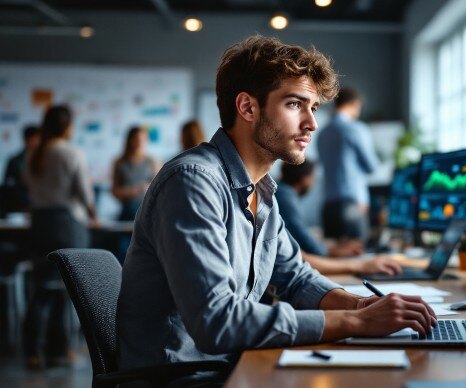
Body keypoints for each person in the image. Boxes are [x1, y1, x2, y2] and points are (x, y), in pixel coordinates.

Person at [117, 36, 436, 384]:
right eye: (296, 104)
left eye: (313, 108)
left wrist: (360, 306)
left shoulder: (262, 190)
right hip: (185, 377)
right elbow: (217, 323)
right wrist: (358, 323)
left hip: (229, 366)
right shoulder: (193, 182)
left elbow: (296, 277)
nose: (312, 124)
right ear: (248, 108)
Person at [23, 105, 97, 369]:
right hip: (66, 223)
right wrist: (93, 215)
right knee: (66, 291)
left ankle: (33, 351)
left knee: (41, 289)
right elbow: (83, 193)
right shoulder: (70, 152)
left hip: (40, 224)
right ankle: (59, 350)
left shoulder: (33, 152)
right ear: (67, 126)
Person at [276, 160, 403, 276]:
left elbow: (295, 241)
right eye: (312, 178)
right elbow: (303, 249)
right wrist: (358, 264)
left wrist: (333, 247)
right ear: (305, 178)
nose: (312, 183)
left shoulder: (282, 193)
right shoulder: (285, 194)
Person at [317, 87, 379, 241]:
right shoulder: (355, 129)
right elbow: (372, 166)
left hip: (328, 205)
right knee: (356, 255)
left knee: (334, 259)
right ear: (354, 104)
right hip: (352, 204)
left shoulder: (322, 134)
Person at [112, 126, 160, 221]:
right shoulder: (120, 162)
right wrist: (133, 191)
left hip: (149, 214)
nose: (140, 142)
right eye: (137, 139)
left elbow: (160, 188)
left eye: (143, 139)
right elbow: (115, 190)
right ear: (130, 140)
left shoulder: (153, 162)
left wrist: (146, 188)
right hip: (128, 213)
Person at [2, 125, 40, 212]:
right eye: (35, 139)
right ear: (27, 139)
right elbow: (7, 184)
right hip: (19, 205)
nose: (37, 142)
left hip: (41, 205)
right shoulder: (14, 161)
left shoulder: (46, 160)